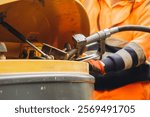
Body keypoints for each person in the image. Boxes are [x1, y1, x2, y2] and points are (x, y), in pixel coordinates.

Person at [79, 0, 150, 99]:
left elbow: (141, 48)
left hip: (131, 93)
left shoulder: (145, 5)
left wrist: (103, 65)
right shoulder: (86, 2)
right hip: (89, 92)